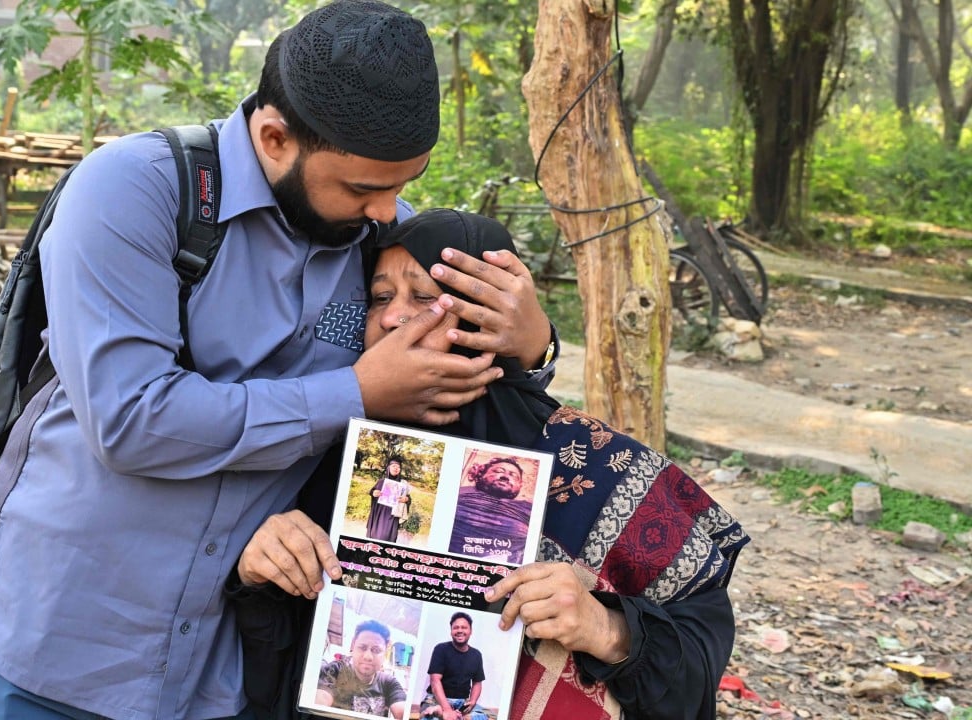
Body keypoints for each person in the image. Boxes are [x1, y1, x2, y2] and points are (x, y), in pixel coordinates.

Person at [0, 2, 556, 718]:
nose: (390, 211)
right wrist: (356, 391)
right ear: (273, 137)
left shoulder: (375, 233)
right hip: (57, 643)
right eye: (364, 188)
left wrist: (530, 341)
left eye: (402, 184)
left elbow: (451, 387)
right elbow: (130, 419)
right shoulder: (134, 191)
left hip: (225, 668)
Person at [232, 209, 750, 720]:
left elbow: (696, 659)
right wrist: (265, 571)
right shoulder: (333, 455)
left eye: (425, 297)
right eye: (380, 298)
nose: (391, 316)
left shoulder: (593, 464)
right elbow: (289, 655)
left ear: (490, 314)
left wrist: (605, 628)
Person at [315, 619, 408, 718]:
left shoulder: (389, 683)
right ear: (353, 646)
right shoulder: (335, 670)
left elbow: (402, 711)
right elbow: (320, 700)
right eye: (362, 647)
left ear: (385, 653)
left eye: (376, 650)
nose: (368, 656)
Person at [449, 456, 532, 563]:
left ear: (520, 485)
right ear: (482, 475)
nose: (505, 476)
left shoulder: (530, 510)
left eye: (513, 476)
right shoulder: (457, 493)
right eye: (498, 471)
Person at [419, 613, 488, 720]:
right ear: (451, 632)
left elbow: (477, 683)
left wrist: (473, 700)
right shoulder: (441, 649)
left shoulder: (476, 655)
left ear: (470, 631)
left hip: (462, 703)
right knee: (429, 717)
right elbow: (435, 681)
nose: (460, 630)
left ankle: (443, 713)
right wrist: (446, 709)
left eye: (464, 627)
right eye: (456, 628)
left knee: (483, 716)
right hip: (436, 700)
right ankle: (439, 711)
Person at [366, 454, 411, 542]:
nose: (396, 468)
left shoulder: (403, 484)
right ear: (388, 468)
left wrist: (406, 499)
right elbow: (372, 491)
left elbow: (408, 498)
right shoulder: (382, 481)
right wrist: (373, 493)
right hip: (380, 515)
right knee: (376, 536)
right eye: (393, 466)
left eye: (398, 467)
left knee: (389, 538)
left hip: (393, 515)